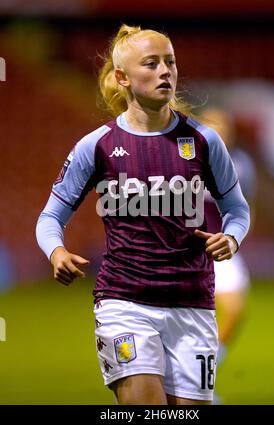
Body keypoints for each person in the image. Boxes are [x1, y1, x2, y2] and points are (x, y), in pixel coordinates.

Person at [36, 24, 250, 405]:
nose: (165, 71)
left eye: (170, 62)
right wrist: (57, 251)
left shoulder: (203, 140)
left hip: (193, 303)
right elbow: (51, 216)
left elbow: (237, 209)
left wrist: (231, 236)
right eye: (151, 64)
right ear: (122, 77)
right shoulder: (97, 145)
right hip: (125, 302)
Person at [200, 107, 256, 403]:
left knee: (235, 309)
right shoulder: (187, 162)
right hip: (191, 252)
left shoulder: (240, 163)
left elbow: (244, 206)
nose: (220, 130)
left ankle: (203, 374)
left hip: (223, 249)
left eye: (223, 125)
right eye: (212, 125)